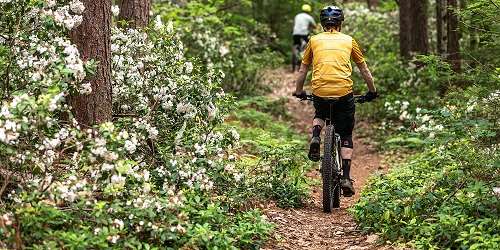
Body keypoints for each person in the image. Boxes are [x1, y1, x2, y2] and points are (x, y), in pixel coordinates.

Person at [293, 6, 378, 197]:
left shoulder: (313, 41)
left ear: (323, 24)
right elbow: (364, 70)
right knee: (346, 133)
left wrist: (299, 91)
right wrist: (372, 91)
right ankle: (346, 177)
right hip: (343, 93)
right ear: (340, 24)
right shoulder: (349, 41)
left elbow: (303, 71)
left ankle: (316, 135)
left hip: (321, 91)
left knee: (320, 113)